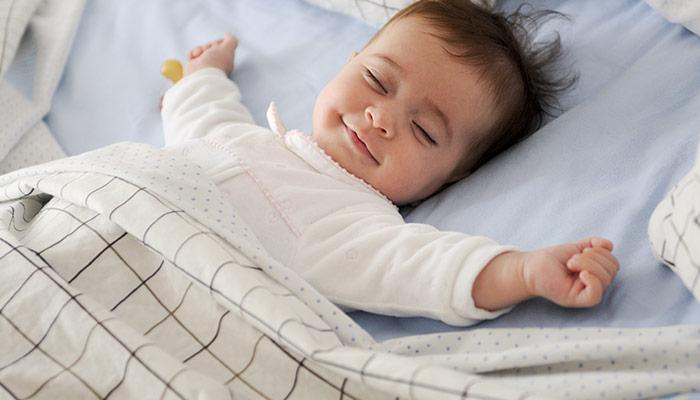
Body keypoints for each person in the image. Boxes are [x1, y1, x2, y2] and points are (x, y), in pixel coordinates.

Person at [160, 0, 619, 326]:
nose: (381, 118)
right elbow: (204, 116)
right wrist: (205, 74)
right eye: (377, 80)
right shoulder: (243, 139)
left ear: (456, 175)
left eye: (425, 132)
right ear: (350, 61)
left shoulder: (350, 222)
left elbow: (421, 269)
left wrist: (522, 272)